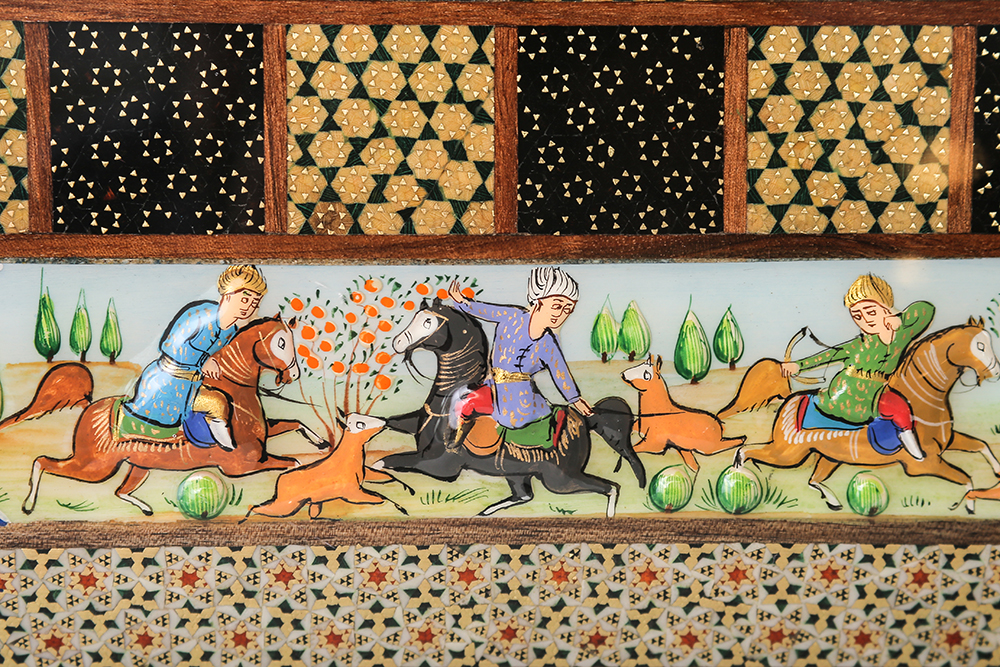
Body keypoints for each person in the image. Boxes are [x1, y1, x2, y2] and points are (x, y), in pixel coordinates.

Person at [780, 274, 934, 460]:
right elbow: (829, 355)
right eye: (857, 316)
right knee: (894, 407)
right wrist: (798, 366)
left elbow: (926, 309)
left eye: (871, 312)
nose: (865, 320)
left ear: (886, 308)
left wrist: (900, 319)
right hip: (843, 395)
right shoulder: (858, 345)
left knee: (900, 407)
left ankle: (912, 446)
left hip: (874, 395)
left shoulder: (902, 334)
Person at [122, 265, 267, 451]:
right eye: (245, 299)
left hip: (193, 383)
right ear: (228, 295)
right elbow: (171, 344)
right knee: (216, 403)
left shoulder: (231, 330)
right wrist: (203, 360)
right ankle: (225, 447)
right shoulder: (201, 314)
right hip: (168, 382)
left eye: (254, 303)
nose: (248, 307)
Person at [448, 266, 592, 452]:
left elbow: (560, 372)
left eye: (568, 310)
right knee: (464, 402)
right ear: (539, 302)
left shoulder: (549, 342)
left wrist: (575, 399)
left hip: (520, 396)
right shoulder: (512, 316)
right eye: (557, 306)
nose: (561, 314)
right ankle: (455, 447)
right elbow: (484, 310)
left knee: (512, 421)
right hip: (493, 384)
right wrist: (461, 301)